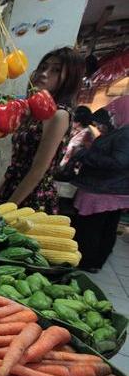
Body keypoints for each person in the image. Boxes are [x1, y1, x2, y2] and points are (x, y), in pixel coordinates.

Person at [0, 47, 85, 214]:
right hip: (13, 188)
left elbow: (38, 170)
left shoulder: (59, 114)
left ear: (70, 78)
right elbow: (15, 167)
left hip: (31, 197)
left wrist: (5, 211)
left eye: (56, 70)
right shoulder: (34, 111)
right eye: (43, 67)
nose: (45, 73)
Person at [70, 108, 129, 272]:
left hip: (105, 191)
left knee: (93, 228)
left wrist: (84, 154)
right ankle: (93, 262)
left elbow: (119, 162)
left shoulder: (125, 135)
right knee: (103, 228)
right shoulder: (117, 133)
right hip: (107, 189)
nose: (111, 118)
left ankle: (88, 262)